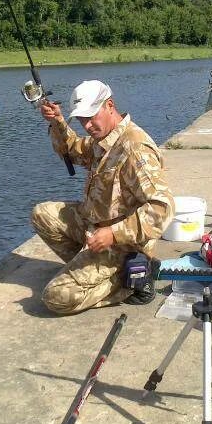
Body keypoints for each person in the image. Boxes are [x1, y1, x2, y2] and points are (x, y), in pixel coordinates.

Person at [31, 80, 174, 314]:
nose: (86, 126)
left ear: (110, 105)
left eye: (90, 117)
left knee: (56, 297)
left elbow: (162, 208)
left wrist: (113, 234)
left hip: (122, 243)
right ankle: (89, 268)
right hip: (93, 224)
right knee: (42, 214)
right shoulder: (104, 138)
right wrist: (57, 122)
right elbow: (74, 150)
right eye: (81, 120)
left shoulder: (134, 148)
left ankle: (130, 279)